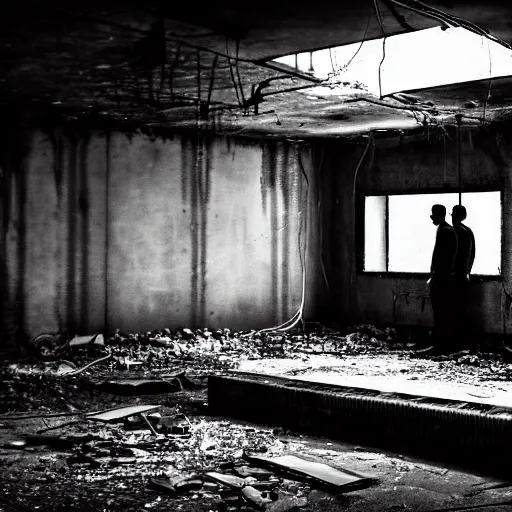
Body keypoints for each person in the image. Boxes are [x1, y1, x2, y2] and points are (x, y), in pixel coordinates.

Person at [425, 204, 458, 354]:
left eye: (433, 214)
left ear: (439, 214)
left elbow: (441, 257)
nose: (431, 216)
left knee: (440, 312)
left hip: (441, 277)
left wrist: (435, 275)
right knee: (442, 312)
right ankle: (442, 345)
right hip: (443, 277)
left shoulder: (444, 230)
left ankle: (440, 346)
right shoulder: (446, 229)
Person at [451, 204, 475, 350]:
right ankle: (461, 342)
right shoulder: (467, 231)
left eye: (454, 214)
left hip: (456, 275)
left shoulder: (458, 232)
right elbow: (472, 254)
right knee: (459, 309)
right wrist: (467, 271)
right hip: (462, 274)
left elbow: (456, 255)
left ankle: (458, 342)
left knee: (455, 309)